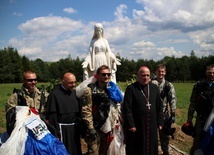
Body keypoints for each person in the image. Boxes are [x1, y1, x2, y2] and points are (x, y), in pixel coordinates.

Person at [80, 65, 125, 155]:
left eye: (108, 74)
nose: (106, 76)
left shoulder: (112, 90)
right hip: (95, 128)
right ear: (97, 75)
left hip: (108, 128)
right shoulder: (90, 90)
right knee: (94, 152)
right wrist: (90, 128)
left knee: (105, 152)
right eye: (103, 74)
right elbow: (86, 111)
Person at [123, 66, 163, 155]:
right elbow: (127, 108)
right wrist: (131, 125)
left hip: (152, 125)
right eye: (143, 75)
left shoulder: (154, 88)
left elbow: (159, 106)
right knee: (137, 148)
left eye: (148, 75)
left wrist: (160, 122)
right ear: (138, 76)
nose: (146, 78)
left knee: (151, 147)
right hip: (137, 126)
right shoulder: (131, 89)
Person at [45, 72, 82, 155]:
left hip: (74, 128)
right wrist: (56, 130)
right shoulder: (55, 94)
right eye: (71, 83)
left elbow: (79, 112)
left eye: (75, 82)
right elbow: (52, 115)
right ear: (63, 82)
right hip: (62, 129)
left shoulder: (75, 93)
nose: (73, 85)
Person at [5, 70, 49, 135]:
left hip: (42, 131)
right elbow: (10, 117)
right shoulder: (16, 97)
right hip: (23, 132)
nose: (33, 82)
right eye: (30, 80)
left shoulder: (44, 95)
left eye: (35, 80)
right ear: (24, 81)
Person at [186, 64, 214, 155]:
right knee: (197, 142)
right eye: (209, 72)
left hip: (213, 121)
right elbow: (193, 103)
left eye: (213, 73)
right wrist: (189, 119)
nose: (212, 74)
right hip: (201, 119)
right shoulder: (198, 86)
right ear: (205, 73)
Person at [152, 64, 177, 155]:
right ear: (155, 72)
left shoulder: (168, 85)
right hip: (152, 114)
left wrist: (173, 114)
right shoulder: (150, 83)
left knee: (165, 137)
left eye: (162, 71)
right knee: (152, 136)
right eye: (159, 71)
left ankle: (165, 152)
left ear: (165, 72)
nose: (160, 73)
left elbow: (172, 100)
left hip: (163, 114)